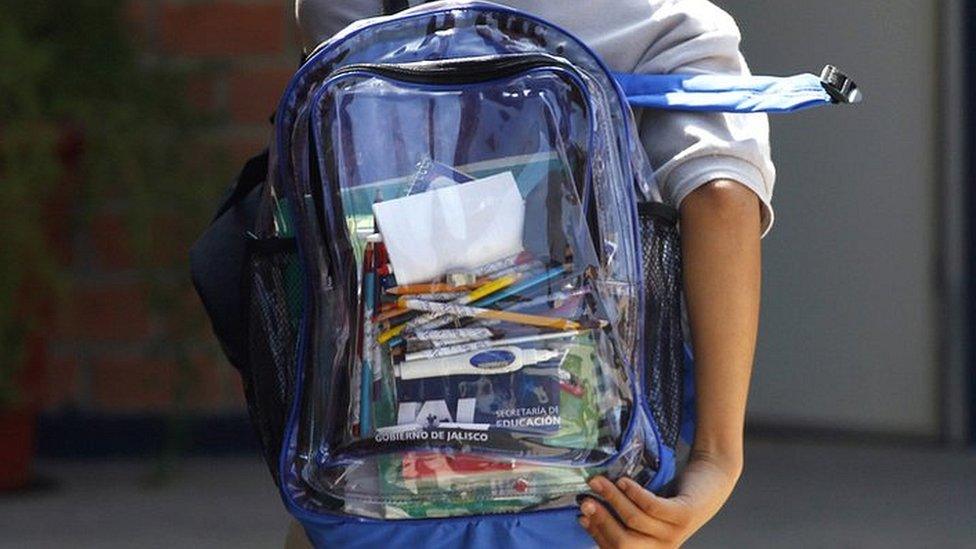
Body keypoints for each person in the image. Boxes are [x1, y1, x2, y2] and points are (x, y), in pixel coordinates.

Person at [289, 1, 771, 547]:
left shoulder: (345, 8)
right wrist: (716, 458)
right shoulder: (663, 19)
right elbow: (721, 197)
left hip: (370, 483)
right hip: (586, 492)